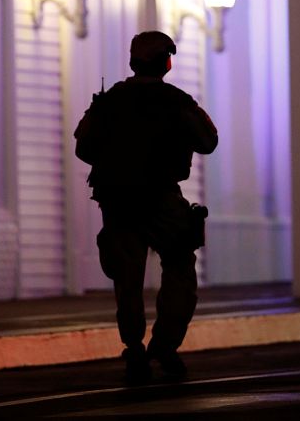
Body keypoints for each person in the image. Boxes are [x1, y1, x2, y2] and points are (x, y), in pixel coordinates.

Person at [74, 30, 218, 383]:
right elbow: (208, 141)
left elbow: (84, 147)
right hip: (161, 197)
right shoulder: (176, 101)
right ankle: (165, 346)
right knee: (180, 268)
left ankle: (134, 347)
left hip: (118, 200)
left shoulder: (109, 101)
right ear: (167, 61)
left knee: (127, 278)